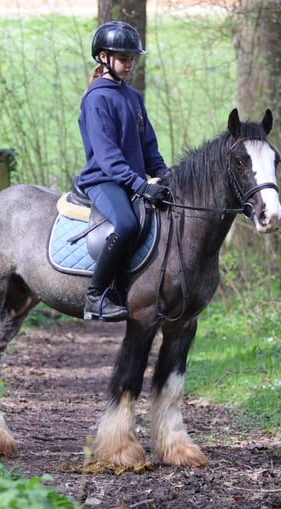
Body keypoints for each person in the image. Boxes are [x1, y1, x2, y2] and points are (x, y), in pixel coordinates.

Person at [76, 20, 171, 322]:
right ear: (104, 57)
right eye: (123, 58)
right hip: (103, 180)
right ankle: (95, 296)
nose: (129, 64)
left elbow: (149, 147)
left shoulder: (133, 97)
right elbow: (108, 158)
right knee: (127, 224)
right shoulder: (96, 99)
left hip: (129, 181)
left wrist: (165, 174)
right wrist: (141, 185)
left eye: (132, 59)